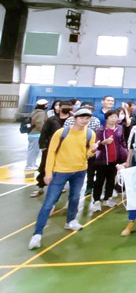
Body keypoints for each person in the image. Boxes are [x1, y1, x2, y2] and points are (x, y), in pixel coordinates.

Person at [28, 107, 99, 250]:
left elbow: (87, 154)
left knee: (74, 198)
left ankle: (71, 221)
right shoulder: (61, 133)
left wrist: (92, 151)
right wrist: (48, 173)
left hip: (79, 171)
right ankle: (37, 234)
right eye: (82, 118)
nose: (84, 121)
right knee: (49, 203)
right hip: (60, 172)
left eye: (87, 118)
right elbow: (51, 153)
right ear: (75, 119)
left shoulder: (90, 134)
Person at [90, 110, 128, 213]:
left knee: (111, 180)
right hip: (102, 161)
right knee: (99, 181)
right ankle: (96, 201)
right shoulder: (100, 130)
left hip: (115, 160)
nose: (114, 119)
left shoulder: (119, 128)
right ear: (107, 118)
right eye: (112, 117)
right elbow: (96, 146)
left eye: (116, 117)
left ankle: (107, 198)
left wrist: (124, 154)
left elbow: (122, 142)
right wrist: (104, 143)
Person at [33, 100, 73, 197]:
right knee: (44, 167)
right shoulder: (52, 120)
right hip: (51, 148)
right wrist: (43, 146)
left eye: (69, 106)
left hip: (67, 150)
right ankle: (40, 187)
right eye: (65, 106)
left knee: (63, 169)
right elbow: (44, 133)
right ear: (59, 107)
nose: (67, 108)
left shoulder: (73, 120)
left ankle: (61, 186)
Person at [26, 99, 49, 170]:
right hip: (37, 134)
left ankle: (32, 164)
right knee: (33, 150)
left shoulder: (35, 112)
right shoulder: (41, 113)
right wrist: (43, 132)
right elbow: (40, 123)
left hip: (32, 133)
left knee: (32, 150)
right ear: (44, 105)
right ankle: (29, 165)